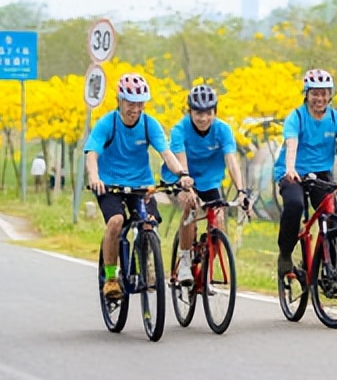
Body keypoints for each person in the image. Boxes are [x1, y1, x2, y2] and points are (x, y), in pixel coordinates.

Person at [85, 72, 192, 300]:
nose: (135, 109)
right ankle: (111, 278)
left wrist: (181, 174)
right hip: (110, 185)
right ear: (119, 100)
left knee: (148, 222)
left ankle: (145, 262)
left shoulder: (149, 124)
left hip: (140, 185)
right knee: (116, 221)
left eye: (140, 103)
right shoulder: (108, 123)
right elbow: (92, 153)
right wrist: (94, 177)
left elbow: (166, 153)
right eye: (130, 103)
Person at [274, 68, 337, 277]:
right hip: (292, 172)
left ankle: (336, 273)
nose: (319, 98)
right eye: (315, 93)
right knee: (295, 205)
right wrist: (291, 169)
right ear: (306, 94)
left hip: (321, 173)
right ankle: (285, 254)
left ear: (330, 95)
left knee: (331, 217)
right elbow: (291, 144)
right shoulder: (296, 117)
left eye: (324, 93)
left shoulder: (336, 120)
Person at [161, 83, 251, 286]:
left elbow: (231, 161)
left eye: (208, 113)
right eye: (198, 113)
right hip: (181, 176)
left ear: (214, 112)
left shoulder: (223, 130)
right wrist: (187, 187)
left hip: (209, 180)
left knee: (218, 220)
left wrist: (241, 191)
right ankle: (185, 262)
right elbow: (181, 164)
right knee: (190, 206)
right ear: (190, 112)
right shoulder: (180, 130)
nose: (203, 118)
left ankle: (206, 269)